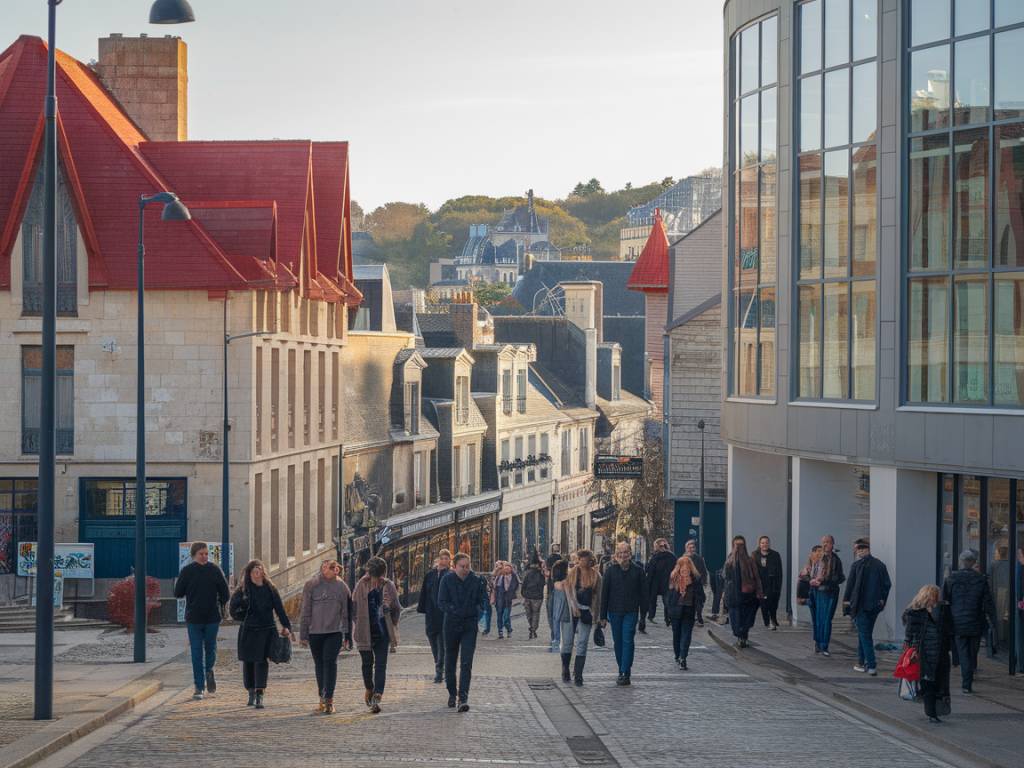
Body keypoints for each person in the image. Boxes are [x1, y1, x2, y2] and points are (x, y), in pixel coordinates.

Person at [229, 560, 291, 709]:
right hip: (249, 630)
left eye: (260, 570)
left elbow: (279, 609)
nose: (258, 572)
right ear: (249, 573)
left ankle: (260, 693)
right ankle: (250, 690)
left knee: (262, 661)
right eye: (254, 570)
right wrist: (243, 617)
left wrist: (286, 626)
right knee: (249, 662)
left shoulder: (270, 588)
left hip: (266, 630)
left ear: (263, 572)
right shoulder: (243, 590)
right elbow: (232, 609)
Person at [174, 541, 230, 701]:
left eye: (206, 554)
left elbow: (225, 593)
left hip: (212, 617)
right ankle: (199, 686)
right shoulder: (187, 571)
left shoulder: (215, 570)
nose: (205, 556)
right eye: (201, 554)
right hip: (194, 618)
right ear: (194, 556)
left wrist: (220, 602)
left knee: (211, 648)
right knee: (196, 652)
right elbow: (178, 592)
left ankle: (209, 670)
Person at [299, 559, 352, 714]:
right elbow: (305, 610)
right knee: (320, 665)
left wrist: (347, 635)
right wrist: (303, 634)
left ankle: (329, 699)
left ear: (336, 569)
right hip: (315, 632)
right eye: (324, 567)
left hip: (334, 632)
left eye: (329, 567)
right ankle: (322, 697)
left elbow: (346, 613)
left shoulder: (342, 587)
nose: (326, 570)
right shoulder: (311, 585)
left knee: (330, 662)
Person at [438, 553, 488, 712]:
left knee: (466, 662)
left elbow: (483, 600)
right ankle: (452, 692)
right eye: (462, 566)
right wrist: (454, 610)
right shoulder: (447, 580)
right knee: (450, 661)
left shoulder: (476, 580)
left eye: (468, 566)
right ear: (455, 566)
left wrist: (478, 611)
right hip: (451, 624)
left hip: (469, 625)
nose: (466, 569)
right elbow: (441, 602)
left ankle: (463, 697)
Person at [942, 549, 996, 694]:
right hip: (975, 621)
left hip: (958, 621)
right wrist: (993, 621)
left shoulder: (951, 579)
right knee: (973, 651)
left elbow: (945, 601)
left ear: (961, 562)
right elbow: (988, 602)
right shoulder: (981, 579)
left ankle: (967, 682)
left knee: (963, 652)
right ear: (973, 563)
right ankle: (968, 678)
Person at [352, 557, 401, 714]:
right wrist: (393, 622)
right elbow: (397, 608)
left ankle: (375, 692)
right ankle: (373, 691)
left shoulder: (383, 585)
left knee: (374, 664)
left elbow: (396, 607)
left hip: (374, 630)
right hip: (372, 630)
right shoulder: (365, 584)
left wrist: (357, 621)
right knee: (374, 664)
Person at [903, 584, 953, 724]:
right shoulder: (919, 613)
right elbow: (910, 635)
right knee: (931, 683)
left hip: (933, 655)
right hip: (927, 654)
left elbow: (910, 635)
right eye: (936, 596)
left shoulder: (937, 612)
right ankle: (931, 713)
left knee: (932, 683)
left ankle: (932, 710)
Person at [600, 541, 648, 686]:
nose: (622, 555)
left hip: (631, 611)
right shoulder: (610, 571)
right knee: (618, 642)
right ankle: (623, 669)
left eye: (625, 552)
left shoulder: (638, 570)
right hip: (614, 611)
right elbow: (605, 594)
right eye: (620, 553)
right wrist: (602, 616)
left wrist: (644, 616)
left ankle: (624, 672)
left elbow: (644, 594)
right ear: (616, 555)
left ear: (630, 554)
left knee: (627, 640)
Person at [842, 538, 891, 676]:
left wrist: (846, 603)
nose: (859, 552)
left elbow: (850, 586)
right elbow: (887, 585)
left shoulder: (857, 565)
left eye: (860, 549)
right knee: (864, 634)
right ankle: (860, 661)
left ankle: (871, 665)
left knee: (865, 635)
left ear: (865, 550)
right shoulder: (880, 565)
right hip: (874, 606)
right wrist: (882, 600)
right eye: (859, 549)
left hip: (860, 606)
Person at [558, 549, 602, 686]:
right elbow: (567, 591)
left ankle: (578, 675)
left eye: (586, 559)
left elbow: (598, 597)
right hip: (571, 611)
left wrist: (598, 617)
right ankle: (565, 669)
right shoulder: (572, 573)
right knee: (567, 643)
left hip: (587, 612)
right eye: (581, 559)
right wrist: (573, 606)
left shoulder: (596, 576)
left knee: (582, 643)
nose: (583, 562)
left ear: (590, 560)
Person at [417, 549, 452, 683]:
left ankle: (439, 671)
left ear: (449, 560)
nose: (443, 560)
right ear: (438, 559)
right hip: (431, 615)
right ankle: (439, 665)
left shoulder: (450, 575)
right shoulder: (430, 575)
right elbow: (424, 593)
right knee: (433, 642)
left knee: (442, 644)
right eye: (442, 558)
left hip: (444, 615)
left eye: (446, 558)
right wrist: (423, 609)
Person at [724, 536, 763, 648]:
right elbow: (726, 576)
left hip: (748, 595)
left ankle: (743, 638)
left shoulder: (749, 560)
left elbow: (756, 577)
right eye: (736, 544)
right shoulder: (730, 560)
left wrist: (759, 592)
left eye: (741, 544)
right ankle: (740, 635)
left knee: (746, 620)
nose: (739, 547)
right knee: (736, 624)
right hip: (734, 596)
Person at [809, 535, 845, 656]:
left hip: (829, 591)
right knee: (818, 618)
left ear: (832, 544)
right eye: (823, 542)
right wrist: (812, 579)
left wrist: (823, 580)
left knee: (826, 619)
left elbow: (839, 577)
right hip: (817, 591)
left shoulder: (835, 559)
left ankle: (824, 645)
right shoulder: (817, 557)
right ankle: (818, 643)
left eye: (828, 542)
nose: (825, 544)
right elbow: (811, 571)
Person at [754, 536, 783, 630]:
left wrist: (778, 585)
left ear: (769, 543)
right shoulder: (754, 555)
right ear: (759, 544)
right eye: (762, 543)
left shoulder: (775, 555)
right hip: (760, 584)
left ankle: (773, 619)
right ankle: (767, 622)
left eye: (766, 542)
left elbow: (779, 571)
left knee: (773, 603)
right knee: (763, 604)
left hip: (772, 583)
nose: (764, 544)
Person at [645, 538, 676, 625]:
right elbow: (649, 569)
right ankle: (653, 616)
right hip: (657, 582)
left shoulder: (670, 556)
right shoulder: (655, 556)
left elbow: (676, 568)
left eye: (663, 546)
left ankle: (667, 618)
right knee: (654, 600)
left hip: (665, 582)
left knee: (666, 601)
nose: (662, 548)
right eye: (660, 546)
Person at [797, 545, 823, 647]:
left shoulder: (823, 565)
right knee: (815, 619)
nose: (820, 553)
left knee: (820, 619)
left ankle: (819, 640)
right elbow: (802, 578)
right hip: (811, 595)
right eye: (818, 551)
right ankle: (817, 641)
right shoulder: (808, 566)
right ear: (812, 553)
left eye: (821, 551)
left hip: (821, 594)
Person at [684, 540, 709, 626]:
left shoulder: (699, 558)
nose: (691, 549)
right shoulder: (683, 559)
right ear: (686, 549)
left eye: (693, 547)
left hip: (698, 584)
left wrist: (704, 581)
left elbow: (703, 570)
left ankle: (699, 616)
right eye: (689, 547)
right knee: (689, 602)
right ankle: (691, 617)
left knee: (700, 600)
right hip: (687, 585)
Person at [521, 557, 546, 640]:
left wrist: (523, 593)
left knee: (530, 614)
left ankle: (532, 628)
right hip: (535, 597)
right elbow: (543, 583)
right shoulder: (539, 574)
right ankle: (533, 629)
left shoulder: (528, 573)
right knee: (535, 614)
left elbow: (524, 584)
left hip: (531, 596)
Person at [492, 562, 519, 639]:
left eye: (508, 568)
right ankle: (500, 631)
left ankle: (509, 629)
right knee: (499, 615)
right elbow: (494, 584)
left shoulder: (513, 577)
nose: (506, 569)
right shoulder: (499, 576)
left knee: (506, 616)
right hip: (499, 599)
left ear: (511, 569)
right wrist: (497, 569)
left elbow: (516, 586)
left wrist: (512, 593)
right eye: (505, 568)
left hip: (508, 599)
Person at [548, 559, 569, 653]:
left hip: (556, 596)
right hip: (562, 599)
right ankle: (559, 642)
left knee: (556, 618)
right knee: (559, 618)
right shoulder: (564, 582)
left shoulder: (555, 582)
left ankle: (556, 641)